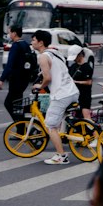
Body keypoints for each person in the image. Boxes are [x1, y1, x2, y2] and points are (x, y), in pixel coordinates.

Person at [31, 32, 78, 165]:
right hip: (73, 91)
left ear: (40, 42)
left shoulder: (43, 57)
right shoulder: (55, 53)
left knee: (50, 125)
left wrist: (40, 85)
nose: (32, 42)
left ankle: (61, 156)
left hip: (61, 94)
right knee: (57, 121)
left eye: (33, 40)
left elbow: (48, 78)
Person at [0, 26, 34, 121]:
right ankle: (21, 126)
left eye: (10, 33)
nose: (9, 35)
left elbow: (10, 65)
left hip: (16, 80)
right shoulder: (25, 44)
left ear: (14, 33)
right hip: (24, 79)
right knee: (17, 104)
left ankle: (20, 125)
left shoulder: (15, 46)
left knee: (8, 103)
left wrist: (1, 79)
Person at [68, 44, 94, 121]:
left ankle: (93, 131)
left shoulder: (87, 67)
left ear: (80, 54)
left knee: (86, 116)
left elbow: (89, 82)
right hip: (74, 95)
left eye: (75, 57)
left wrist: (76, 82)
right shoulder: (73, 66)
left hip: (84, 95)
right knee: (75, 117)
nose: (74, 59)